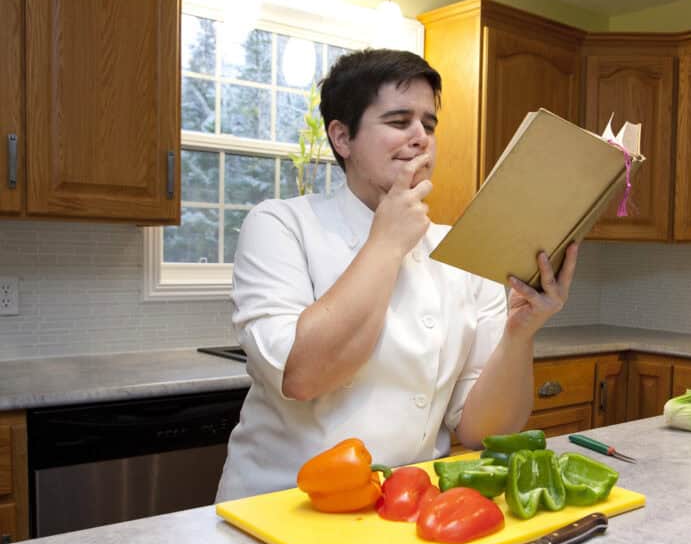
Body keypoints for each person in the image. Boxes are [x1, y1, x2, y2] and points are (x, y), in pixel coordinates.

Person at [216, 49, 578, 501]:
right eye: (398, 120)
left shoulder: (464, 252)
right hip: (282, 505)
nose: (420, 138)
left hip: (406, 507)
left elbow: (484, 432)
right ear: (342, 138)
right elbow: (302, 376)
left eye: (429, 124)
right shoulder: (280, 225)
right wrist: (387, 242)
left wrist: (520, 333)